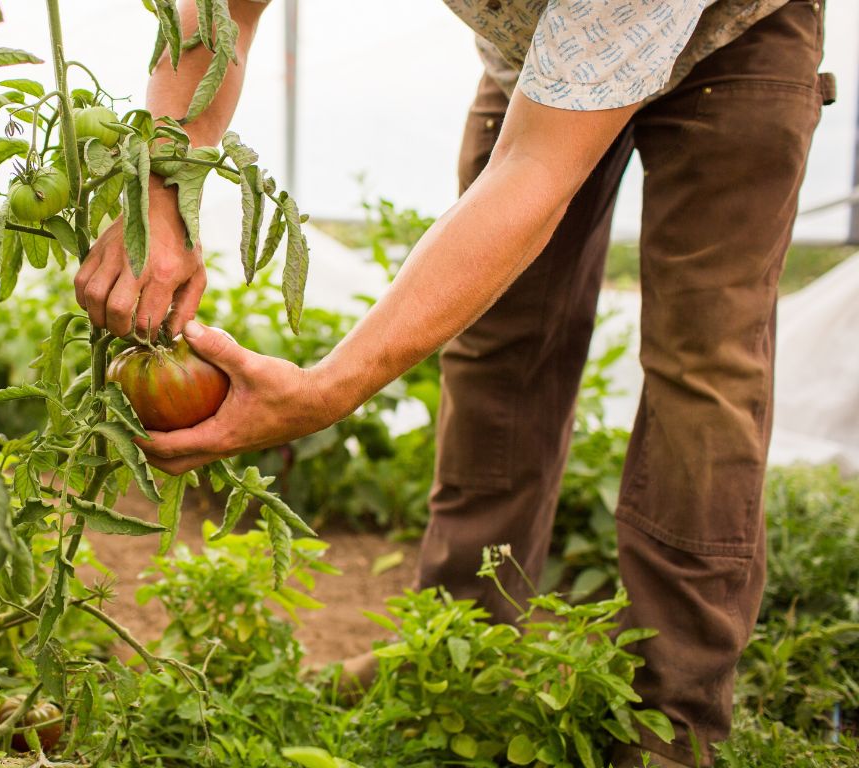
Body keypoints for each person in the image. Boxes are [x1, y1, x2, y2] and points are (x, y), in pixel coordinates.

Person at [73, 1, 832, 765]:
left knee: (703, 372)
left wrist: (331, 389)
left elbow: (536, 169)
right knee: (496, 338)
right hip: (537, 54)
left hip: (732, 42)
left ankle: (672, 717)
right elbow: (219, 6)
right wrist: (164, 182)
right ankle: (457, 641)